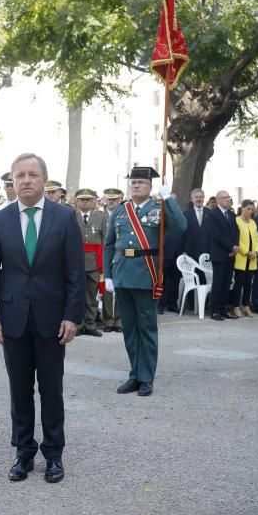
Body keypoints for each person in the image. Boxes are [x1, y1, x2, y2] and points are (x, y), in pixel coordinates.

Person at [0, 153, 85, 484]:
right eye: (19, 175)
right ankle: (23, 452)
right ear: (12, 181)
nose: (25, 180)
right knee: (20, 390)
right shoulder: (0, 219)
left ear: (44, 180)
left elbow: (75, 273)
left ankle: (53, 454)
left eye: (32, 174)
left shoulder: (65, 218)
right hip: (12, 319)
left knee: (51, 389)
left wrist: (72, 316)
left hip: (52, 320)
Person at [103, 167, 186, 396]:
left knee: (146, 329)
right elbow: (109, 244)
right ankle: (134, 375)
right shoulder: (121, 211)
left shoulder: (159, 208)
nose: (136, 185)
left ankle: (146, 377)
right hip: (122, 274)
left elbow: (181, 226)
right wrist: (108, 275)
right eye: (133, 182)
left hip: (146, 274)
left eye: (140, 182)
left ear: (150, 186)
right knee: (129, 330)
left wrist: (168, 199)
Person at [75, 188, 108, 336]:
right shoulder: (71, 216)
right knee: (77, 295)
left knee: (91, 297)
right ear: (77, 202)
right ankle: (78, 324)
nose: (85, 202)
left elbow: (106, 240)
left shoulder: (101, 217)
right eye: (82, 199)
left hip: (94, 263)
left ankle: (90, 324)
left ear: (94, 201)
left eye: (88, 199)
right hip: (75, 262)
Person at [206, 190, 239, 321]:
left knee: (227, 283)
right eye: (225, 198)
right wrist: (231, 247)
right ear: (218, 200)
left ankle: (223, 308)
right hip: (219, 254)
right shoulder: (213, 214)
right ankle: (214, 310)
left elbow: (236, 232)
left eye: (229, 197)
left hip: (231, 254)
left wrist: (235, 246)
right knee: (218, 283)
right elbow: (216, 234)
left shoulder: (231, 214)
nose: (228, 200)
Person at [100, 188, 125, 332]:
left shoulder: (125, 214)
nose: (111, 202)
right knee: (107, 290)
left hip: (120, 255)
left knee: (121, 289)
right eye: (109, 199)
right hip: (104, 255)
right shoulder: (100, 215)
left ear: (120, 199)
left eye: (114, 199)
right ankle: (108, 320)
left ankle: (119, 320)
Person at [230, 200, 258, 317]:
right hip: (241, 257)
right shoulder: (236, 221)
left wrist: (256, 252)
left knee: (248, 284)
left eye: (252, 209)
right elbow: (237, 240)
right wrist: (246, 252)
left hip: (252, 258)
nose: (250, 211)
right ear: (242, 208)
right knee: (239, 283)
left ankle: (246, 306)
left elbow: (257, 239)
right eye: (248, 209)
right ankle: (236, 307)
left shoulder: (253, 223)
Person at [182, 189, 212, 284]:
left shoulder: (210, 213)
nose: (199, 199)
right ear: (192, 199)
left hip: (207, 253)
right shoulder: (186, 214)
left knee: (205, 283)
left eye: (201, 197)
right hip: (191, 253)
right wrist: (183, 251)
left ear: (204, 198)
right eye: (196, 197)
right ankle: (191, 299)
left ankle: (205, 299)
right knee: (193, 282)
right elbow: (183, 235)